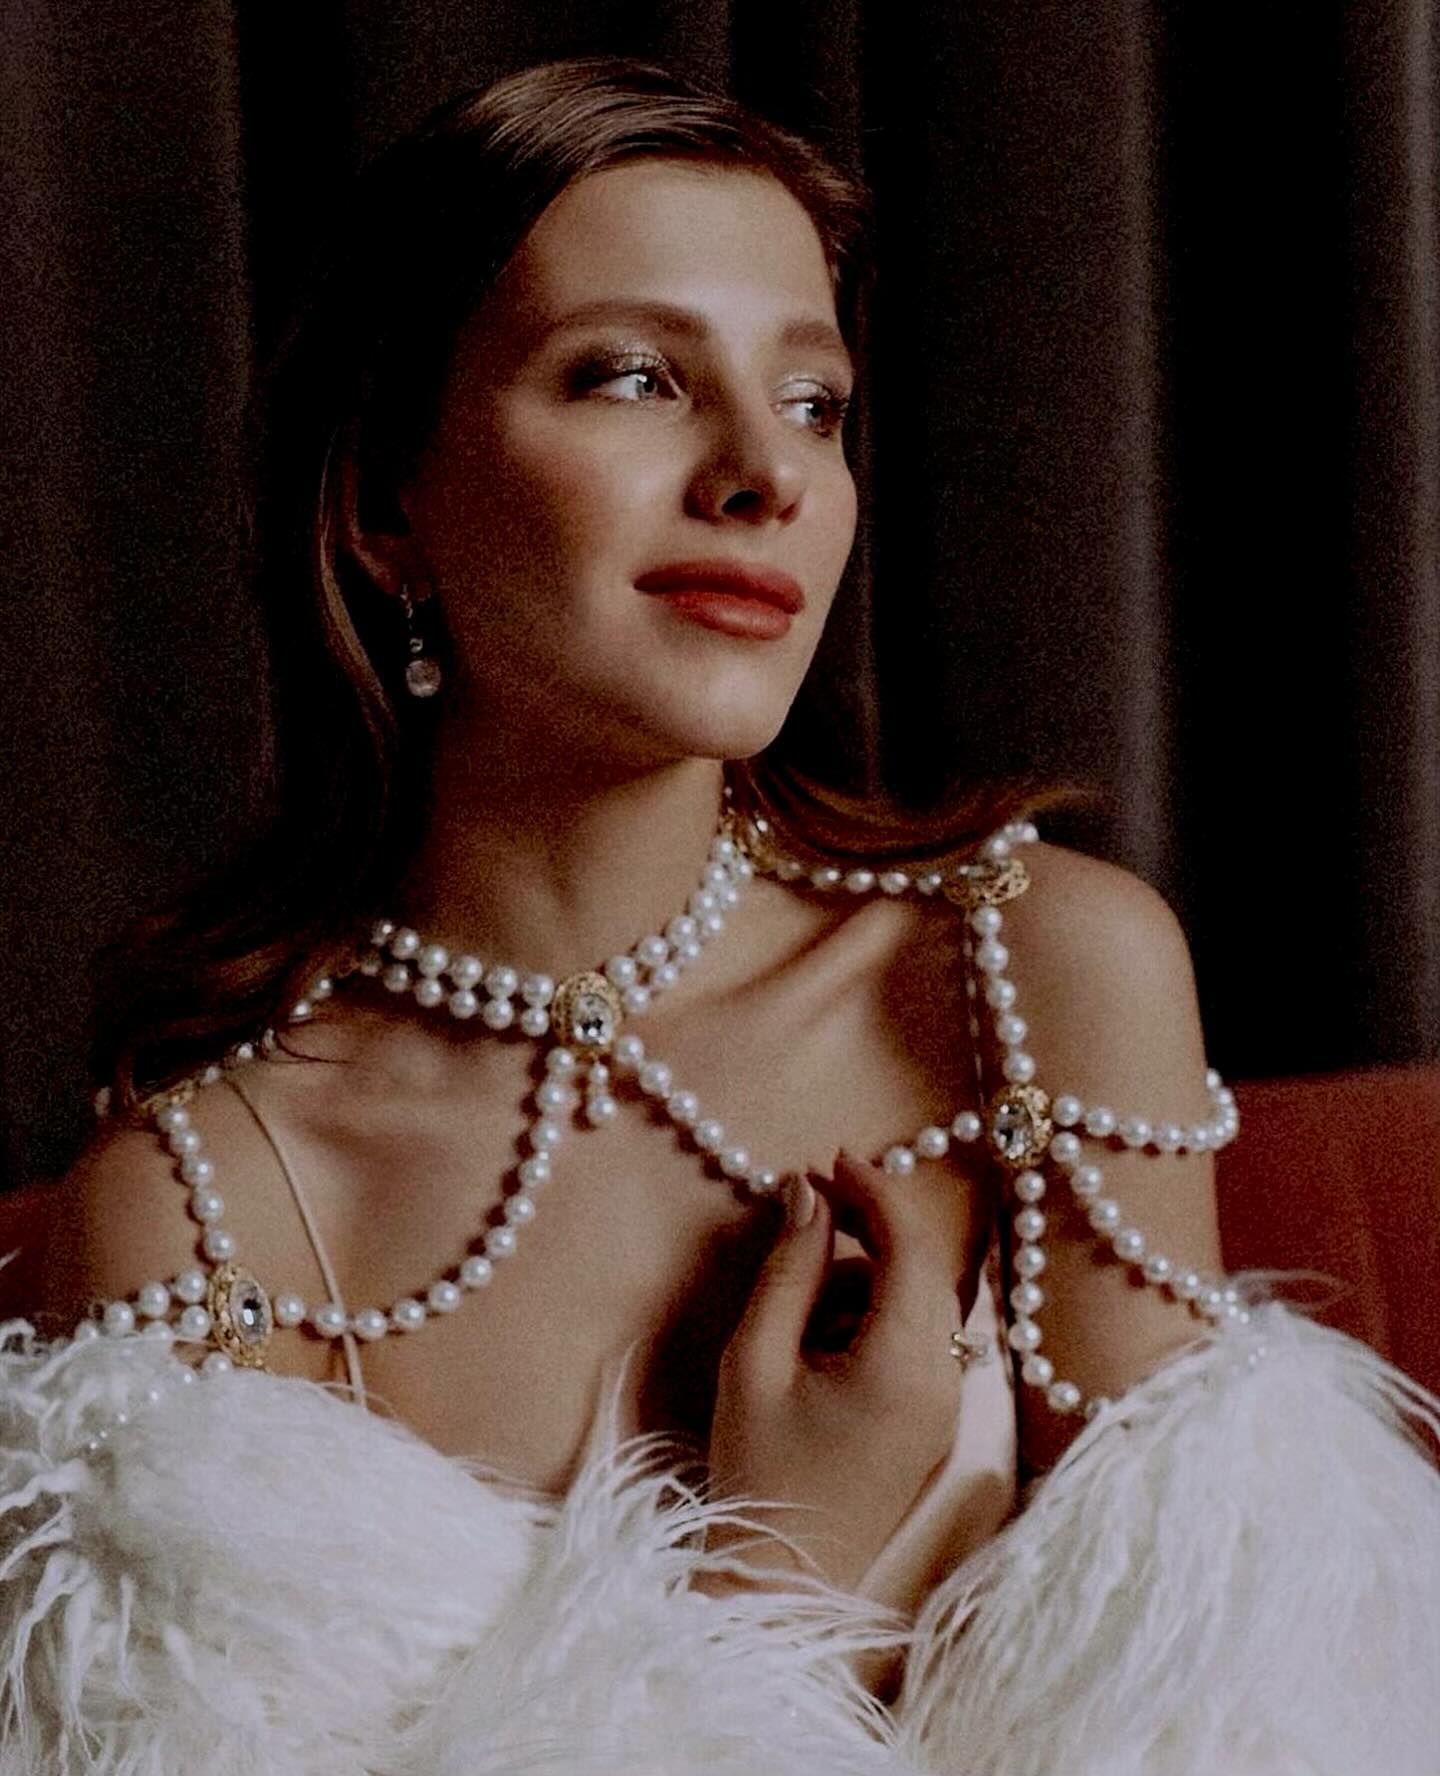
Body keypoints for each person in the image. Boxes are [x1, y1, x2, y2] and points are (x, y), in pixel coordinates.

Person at [0, 56, 1436, 1776]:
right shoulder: (209, 1202)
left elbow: (1234, 1734)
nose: (764, 473)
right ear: (384, 503)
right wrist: (779, 1593)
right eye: (630, 376)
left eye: (815, 401)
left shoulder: (1029, 978)